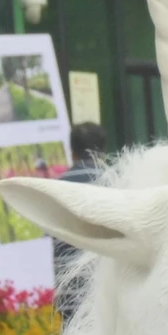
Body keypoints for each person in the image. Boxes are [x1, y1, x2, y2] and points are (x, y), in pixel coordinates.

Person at [52, 122, 107, 320]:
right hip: (103, 287)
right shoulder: (114, 181)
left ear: (73, 151)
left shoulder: (57, 188)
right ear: (102, 150)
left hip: (69, 291)